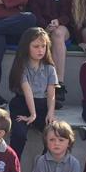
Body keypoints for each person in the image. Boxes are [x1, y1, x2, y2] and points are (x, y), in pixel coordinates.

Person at [8, 27, 58, 162]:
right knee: (19, 134)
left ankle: (42, 163)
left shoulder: (50, 68)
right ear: (26, 47)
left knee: (54, 134)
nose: (40, 50)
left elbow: (51, 94)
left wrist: (50, 113)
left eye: (43, 46)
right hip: (22, 105)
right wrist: (32, 114)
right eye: (36, 46)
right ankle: (13, 164)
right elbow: (27, 91)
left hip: (41, 105)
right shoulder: (21, 67)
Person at [28, 0, 71, 99]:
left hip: (62, 27)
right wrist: (45, 27)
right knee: (41, 38)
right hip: (44, 28)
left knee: (57, 34)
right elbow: (35, 13)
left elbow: (69, 14)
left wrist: (58, 21)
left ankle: (59, 83)